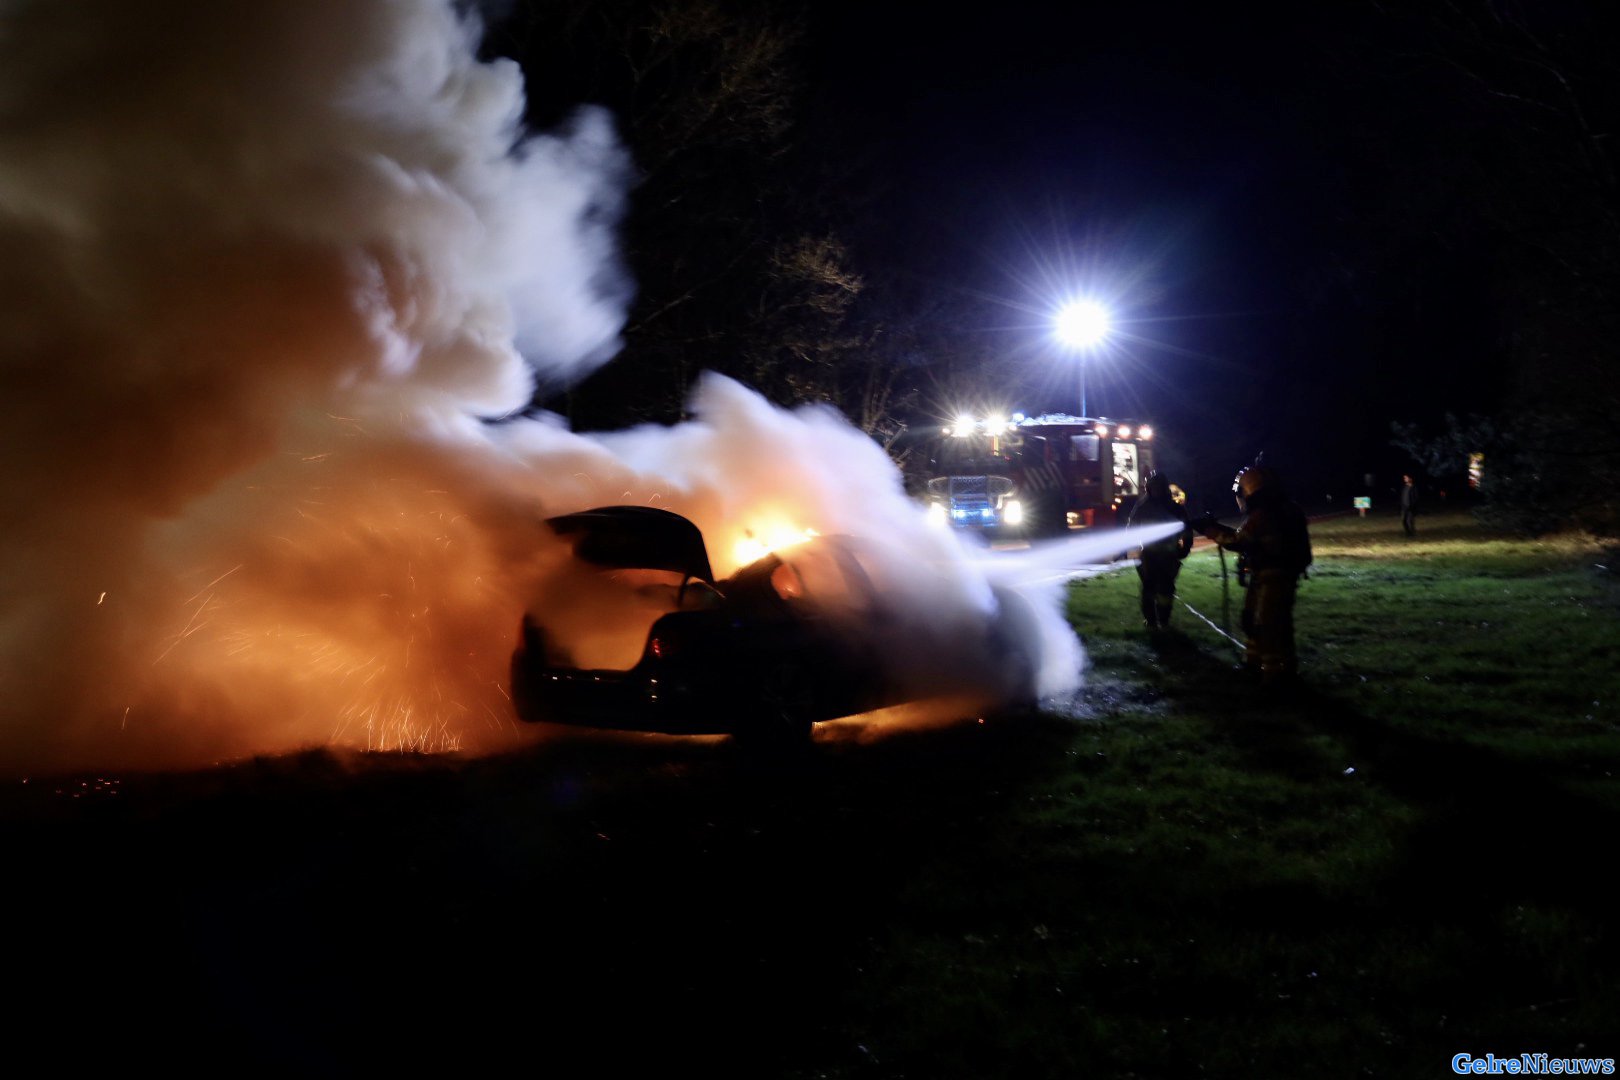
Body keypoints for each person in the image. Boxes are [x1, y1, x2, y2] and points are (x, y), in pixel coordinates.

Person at [1191, 463, 1313, 687]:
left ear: (1249, 491)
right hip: (1274, 577)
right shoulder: (1287, 509)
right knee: (1258, 621)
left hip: (1272, 579)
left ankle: (1274, 677)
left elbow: (1238, 541)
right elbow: (1245, 536)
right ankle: (1257, 664)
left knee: (1269, 626)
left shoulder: (1263, 515)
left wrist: (1210, 530)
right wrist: (1215, 526)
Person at [1127, 470, 1193, 629]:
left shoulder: (1173, 507)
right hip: (1150, 555)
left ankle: (1163, 620)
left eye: (1158, 487)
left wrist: (1185, 548)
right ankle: (1151, 621)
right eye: (1153, 487)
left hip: (1168, 555)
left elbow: (1187, 530)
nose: (1155, 490)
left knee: (1165, 590)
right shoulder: (1144, 506)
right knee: (1149, 589)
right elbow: (1132, 529)